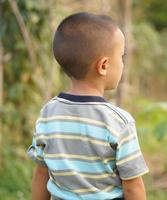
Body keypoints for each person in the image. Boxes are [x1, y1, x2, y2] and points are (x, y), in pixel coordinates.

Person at [27, 12, 149, 200]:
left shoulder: (48, 114)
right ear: (104, 66)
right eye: (121, 56)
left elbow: (41, 175)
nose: (123, 63)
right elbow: (133, 187)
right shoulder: (119, 122)